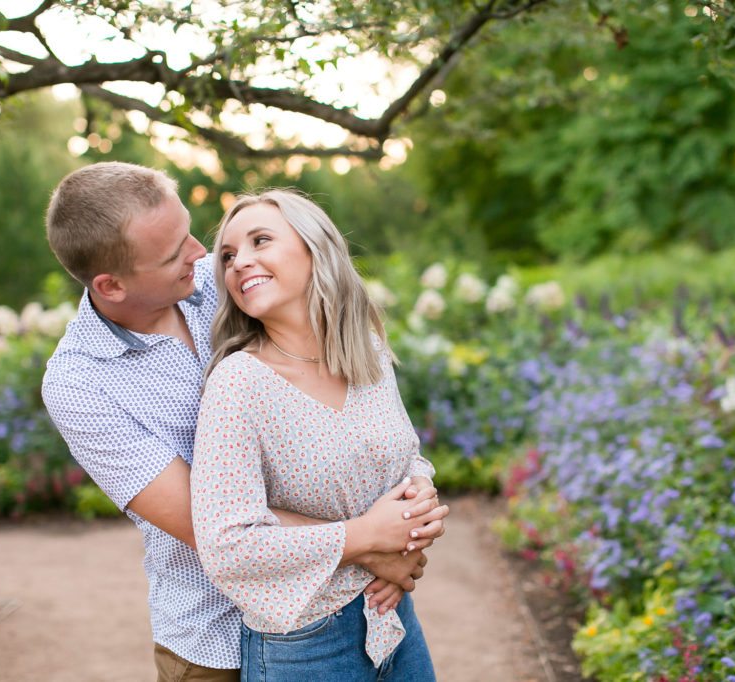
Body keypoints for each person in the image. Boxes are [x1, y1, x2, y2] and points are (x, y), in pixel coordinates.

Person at [41, 163, 435, 682]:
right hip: (214, 638)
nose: (202, 255)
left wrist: (405, 519)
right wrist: (371, 544)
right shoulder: (78, 383)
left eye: (190, 233)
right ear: (112, 285)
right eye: (174, 252)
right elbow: (209, 523)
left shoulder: (235, 279)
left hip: (355, 607)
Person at [190, 189, 448, 682]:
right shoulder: (238, 382)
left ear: (315, 249)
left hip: (392, 618)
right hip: (304, 643)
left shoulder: (366, 348)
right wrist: (369, 540)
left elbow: (408, 458)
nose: (239, 262)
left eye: (260, 240)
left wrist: (413, 527)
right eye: (227, 256)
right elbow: (228, 545)